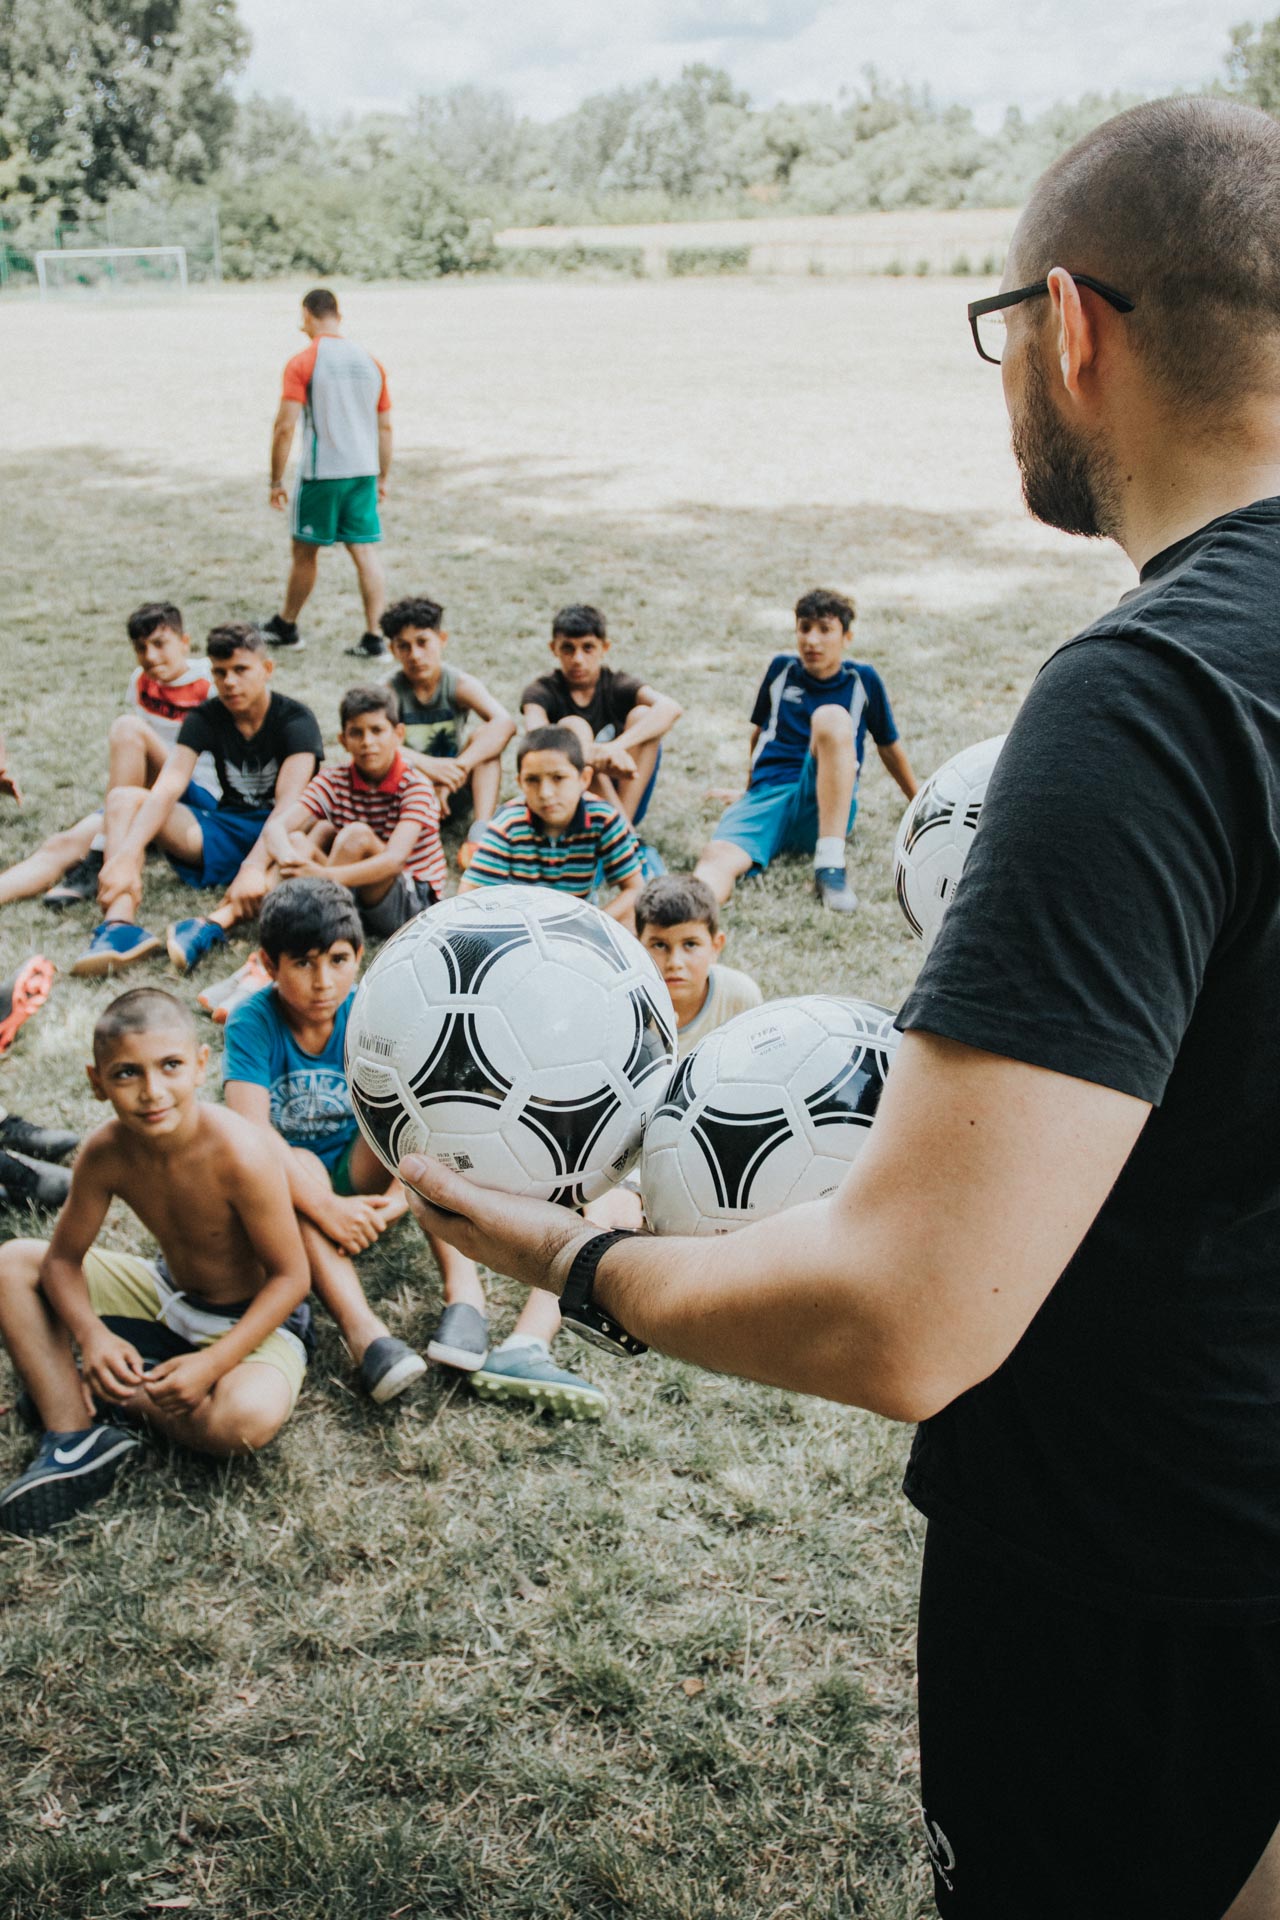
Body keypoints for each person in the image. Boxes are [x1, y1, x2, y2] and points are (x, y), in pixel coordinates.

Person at [395, 96, 1280, 1920]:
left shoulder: (1151, 699)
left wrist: (579, 1262)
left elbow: (908, 1315)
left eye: (1001, 330)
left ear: (1070, 328)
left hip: (1154, 1601)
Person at [0, 988, 311, 1537]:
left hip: (256, 1323)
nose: (152, 1091)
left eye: (170, 1066)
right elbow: (61, 1262)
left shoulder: (241, 1152)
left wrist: (211, 1367)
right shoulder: (106, 1152)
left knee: (244, 1421)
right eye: (127, 1073)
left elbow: (292, 1279)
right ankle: (74, 1436)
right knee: (12, 1263)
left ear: (200, 1065)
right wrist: (93, 1336)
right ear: (97, 1082)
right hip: (167, 1296)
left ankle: (114, 1393)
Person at [221, 880, 428, 1404]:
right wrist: (327, 1208)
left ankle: (464, 1301)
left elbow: (415, 1114)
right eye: (303, 964)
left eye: (338, 960)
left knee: (425, 1115)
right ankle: (366, 1336)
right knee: (297, 1162)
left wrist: (398, 1200)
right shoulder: (251, 1020)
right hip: (284, 1183)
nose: (323, 982)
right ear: (269, 966)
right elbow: (252, 1132)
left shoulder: (370, 1013)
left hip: (360, 1167)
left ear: (358, 955)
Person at [73, 624, 323, 978]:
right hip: (225, 826)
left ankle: (210, 925)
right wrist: (128, 854)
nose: (229, 682)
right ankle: (119, 925)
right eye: (220, 673)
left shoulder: (295, 719)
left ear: (267, 669)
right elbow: (169, 785)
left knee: (298, 840)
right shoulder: (206, 716)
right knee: (122, 798)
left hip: (278, 838)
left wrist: (252, 868)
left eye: (240, 670)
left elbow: (287, 807)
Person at [695, 588, 917, 912]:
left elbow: (889, 748)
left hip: (823, 809)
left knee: (832, 717)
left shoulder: (863, 680)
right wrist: (748, 790)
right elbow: (760, 735)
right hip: (767, 796)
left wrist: (918, 802)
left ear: (847, 637)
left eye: (825, 629)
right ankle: (680, 921)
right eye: (804, 628)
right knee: (716, 856)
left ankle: (830, 865)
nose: (812, 640)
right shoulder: (780, 670)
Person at [0, 603, 218, 911]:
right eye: (141, 648)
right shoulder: (140, 680)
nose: (150, 656)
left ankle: (102, 852)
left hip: (199, 796)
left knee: (128, 728)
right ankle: (103, 845)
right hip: (147, 797)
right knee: (61, 845)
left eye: (160, 644)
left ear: (185, 642)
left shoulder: (212, 680)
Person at [586, 873, 762, 1235]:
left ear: (716, 944)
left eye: (690, 944)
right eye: (659, 945)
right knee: (609, 1224)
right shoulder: (620, 1004)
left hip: (708, 1140)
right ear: (638, 944)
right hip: (631, 1145)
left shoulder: (739, 997)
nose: (675, 961)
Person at [261, 288, 392, 661]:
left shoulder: (303, 361)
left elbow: (284, 426)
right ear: (338, 315)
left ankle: (286, 627)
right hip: (363, 471)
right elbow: (385, 427)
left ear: (306, 314)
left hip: (323, 473)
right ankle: (375, 637)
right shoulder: (370, 362)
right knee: (364, 550)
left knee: (305, 551)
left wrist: (276, 480)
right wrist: (382, 476)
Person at [275, 685, 447, 939]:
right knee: (300, 839)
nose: (367, 742)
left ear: (398, 734)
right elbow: (277, 827)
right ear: (343, 740)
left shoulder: (415, 785)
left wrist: (322, 875)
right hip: (356, 886)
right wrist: (290, 859)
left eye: (377, 730)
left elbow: (394, 860)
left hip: (412, 901)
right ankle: (291, 912)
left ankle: (312, 926)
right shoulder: (334, 779)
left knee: (356, 836)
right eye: (356, 733)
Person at [461, 726, 643, 929]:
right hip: (520, 925)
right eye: (532, 780)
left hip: (579, 922)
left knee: (634, 924)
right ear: (520, 782)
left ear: (584, 778)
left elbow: (635, 889)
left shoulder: (603, 818)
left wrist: (592, 925)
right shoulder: (508, 824)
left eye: (558, 778)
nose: (545, 793)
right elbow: (469, 895)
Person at [521, 605, 681, 828]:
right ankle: (624, 834)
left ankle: (620, 825)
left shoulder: (616, 684)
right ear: (553, 648)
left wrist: (614, 747)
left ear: (604, 647)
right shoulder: (542, 691)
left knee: (643, 714)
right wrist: (588, 755)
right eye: (568, 648)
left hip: (626, 793)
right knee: (572, 727)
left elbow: (671, 708)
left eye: (588, 648)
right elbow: (536, 738)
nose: (578, 659)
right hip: (571, 800)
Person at [383, 595, 516, 864]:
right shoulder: (387, 690)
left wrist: (457, 770)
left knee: (486, 744)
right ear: (393, 650)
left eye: (422, 642)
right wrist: (431, 767)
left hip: (453, 787)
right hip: (406, 791)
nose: (415, 655)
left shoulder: (458, 683)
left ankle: (481, 836)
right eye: (404, 646)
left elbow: (505, 723)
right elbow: (377, 746)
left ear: (441, 639)